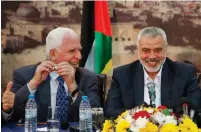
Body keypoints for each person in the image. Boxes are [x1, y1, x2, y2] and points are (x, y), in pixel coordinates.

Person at [2, 27, 101, 123]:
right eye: (72, 51)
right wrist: (33, 84)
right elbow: (8, 118)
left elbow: (96, 118)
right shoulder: (24, 75)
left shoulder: (88, 77)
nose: (79, 56)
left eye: (79, 50)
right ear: (53, 54)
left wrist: (73, 87)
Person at [104, 26, 201, 118]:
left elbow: (196, 107)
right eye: (146, 50)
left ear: (166, 49)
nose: (152, 56)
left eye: (158, 50)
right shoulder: (122, 75)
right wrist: (138, 115)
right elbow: (110, 111)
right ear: (138, 50)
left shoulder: (185, 72)